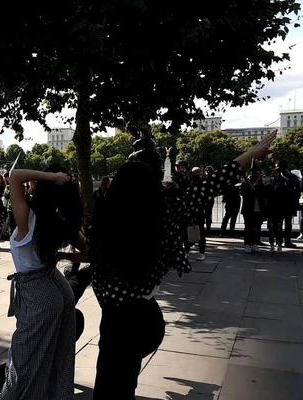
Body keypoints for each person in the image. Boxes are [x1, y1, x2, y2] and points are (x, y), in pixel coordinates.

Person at [90, 131, 276, 399]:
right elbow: (210, 185)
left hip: (117, 319)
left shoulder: (106, 221)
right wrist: (249, 155)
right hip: (145, 317)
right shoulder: (162, 211)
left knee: (111, 380)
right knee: (123, 377)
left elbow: (95, 265)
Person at [0, 165, 81, 400]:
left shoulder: (28, 218)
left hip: (37, 294)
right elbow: (86, 250)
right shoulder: (58, 222)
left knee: (24, 364)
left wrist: (53, 177)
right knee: (58, 357)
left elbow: (15, 176)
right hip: (57, 286)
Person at [241, 168, 267, 253]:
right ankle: (247, 244)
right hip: (248, 209)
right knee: (248, 227)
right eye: (254, 175)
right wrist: (254, 184)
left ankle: (254, 243)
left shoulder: (260, 184)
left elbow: (262, 194)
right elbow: (245, 193)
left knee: (256, 227)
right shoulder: (245, 184)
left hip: (257, 209)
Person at [275, 160, 301, 248]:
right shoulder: (276, 177)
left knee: (287, 223)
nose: (276, 169)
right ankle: (279, 241)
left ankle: (286, 241)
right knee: (279, 223)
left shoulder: (292, 177)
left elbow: (298, 190)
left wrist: (295, 201)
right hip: (279, 203)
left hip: (288, 202)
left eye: (278, 167)